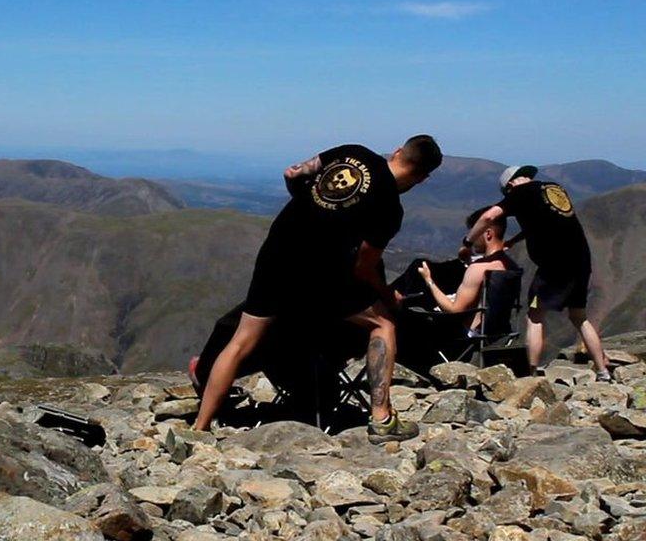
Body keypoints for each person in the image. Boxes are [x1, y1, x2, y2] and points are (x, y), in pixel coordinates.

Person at [191, 135, 443, 443]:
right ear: (422, 178)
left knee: (241, 342)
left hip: (278, 250)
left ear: (398, 151)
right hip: (320, 271)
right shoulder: (390, 206)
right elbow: (364, 266)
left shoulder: (354, 152)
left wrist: (304, 203)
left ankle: (199, 429)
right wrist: (387, 295)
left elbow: (292, 173)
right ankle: (382, 418)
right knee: (383, 324)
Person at [461, 165, 610, 380]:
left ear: (510, 185)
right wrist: (513, 240)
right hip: (581, 259)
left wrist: (467, 242)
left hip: (555, 264)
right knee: (579, 317)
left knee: (535, 315)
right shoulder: (552, 188)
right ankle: (603, 371)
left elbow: (488, 217)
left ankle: (531, 372)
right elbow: (544, 221)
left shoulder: (519, 193)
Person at [416, 206, 520, 331]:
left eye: (475, 233)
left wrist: (429, 280)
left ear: (488, 233)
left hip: (469, 334)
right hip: (497, 332)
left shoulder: (478, 269)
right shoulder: (511, 266)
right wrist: (468, 262)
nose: (473, 239)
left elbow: (455, 311)